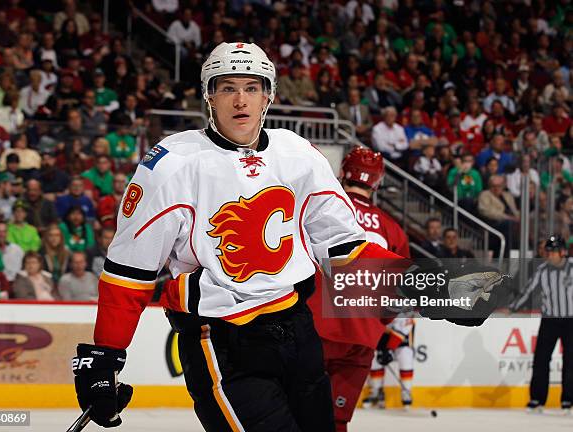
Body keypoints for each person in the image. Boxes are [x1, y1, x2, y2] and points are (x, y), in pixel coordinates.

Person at [71, 42, 504, 431]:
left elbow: (346, 250)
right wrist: (104, 359)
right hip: (223, 341)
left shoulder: (297, 153)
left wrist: (431, 287)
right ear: (209, 97)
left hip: (299, 332)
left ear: (269, 95)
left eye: (252, 88)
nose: (240, 100)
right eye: (227, 88)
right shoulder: (171, 164)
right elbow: (129, 270)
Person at [309, 147, 410, 431]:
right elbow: (398, 291)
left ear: (343, 173)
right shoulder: (393, 230)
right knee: (336, 420)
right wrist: (382, 330)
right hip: (361, 337)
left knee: (297, 413)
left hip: (314, 326)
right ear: (377, 182)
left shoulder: (322, 208)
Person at [510, 235, 573, 414]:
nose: (550, 255)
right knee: (541, 360)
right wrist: (513, 307)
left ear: (563, 252)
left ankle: (568, 400)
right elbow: (528, 291)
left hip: (571, 321)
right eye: (548, 251)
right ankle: (537, 399)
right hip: (550, 321)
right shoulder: (542, 271)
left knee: (570, 361)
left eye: (553, 251)